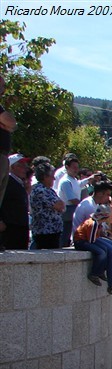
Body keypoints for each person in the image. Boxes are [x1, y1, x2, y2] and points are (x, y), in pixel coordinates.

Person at [28, 160, 64, 249]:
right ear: (45, 177)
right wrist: (59, 205)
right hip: (45, 233)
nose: (54, 179)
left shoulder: (49, 190)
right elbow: (59, 206)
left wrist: (60, 205)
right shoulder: (40, 190)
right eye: (52, 176)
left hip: (53, 231)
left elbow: (62, 205)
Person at [0, 76, 18, 244]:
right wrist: (5, 122)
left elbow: (11, 124)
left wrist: (7, 123)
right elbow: (9, 121)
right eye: (2, 85)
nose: (3, 89)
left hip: (3, 157)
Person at [0, 154, 30, 249]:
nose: (25, 169)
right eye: (21, 166)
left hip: (20, 227)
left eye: (25, 166)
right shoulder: (7, 182)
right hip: (10, 227)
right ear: (12, 167)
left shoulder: (19, 182)